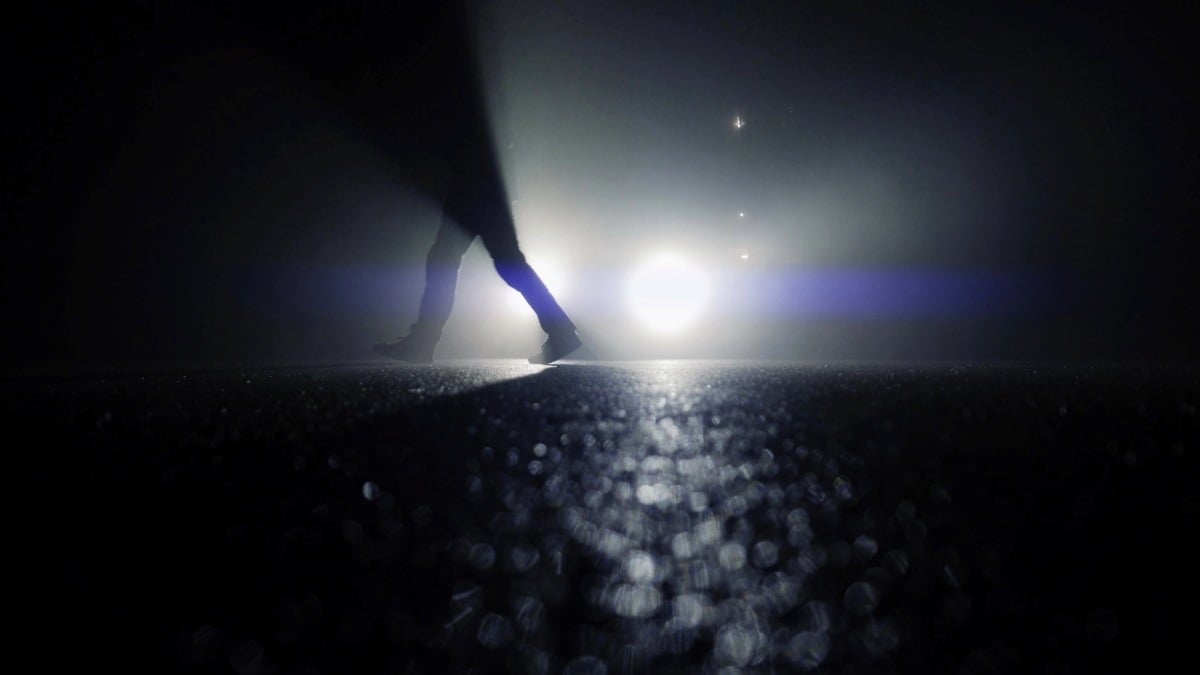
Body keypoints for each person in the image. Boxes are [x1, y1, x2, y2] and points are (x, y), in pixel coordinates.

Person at [371, 2, 582, 365]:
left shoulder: (453, 75)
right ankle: (558, 329)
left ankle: (424, 341)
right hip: (479, 177)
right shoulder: (463, 71)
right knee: (491, 259)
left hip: (475, 178)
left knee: (460, 258)